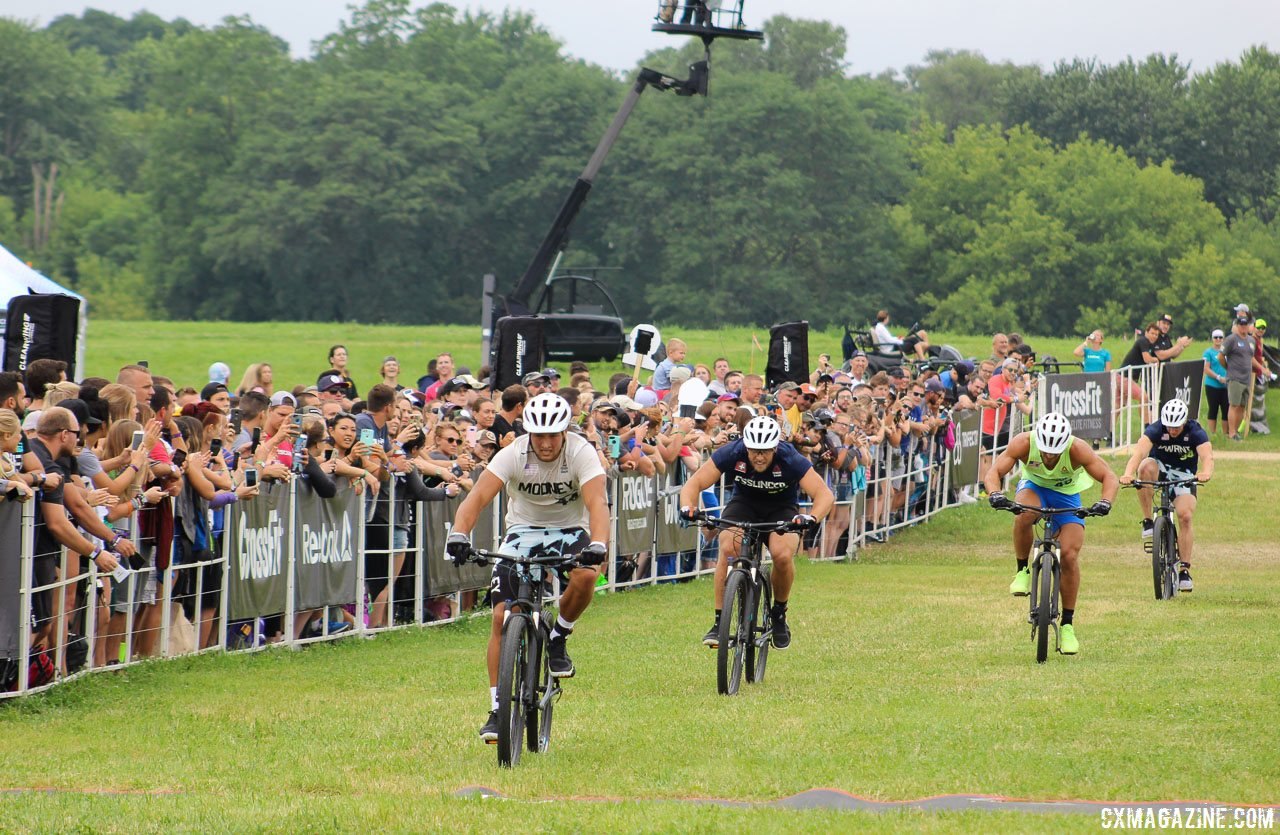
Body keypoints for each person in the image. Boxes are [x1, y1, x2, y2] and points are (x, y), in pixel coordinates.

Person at [445, 393, 610, 742]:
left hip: (570, 531)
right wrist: (458, 533)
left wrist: (598, 543)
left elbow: (597, 502)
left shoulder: (581, 452)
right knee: (501, 617)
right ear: (528, 432)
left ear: (565, 431)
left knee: (586, 575)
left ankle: (559, 636)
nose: (546, 443)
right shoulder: (513, 453)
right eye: (539, 435)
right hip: (522, 532)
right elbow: (476, 497)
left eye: (553, 435)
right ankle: (496, 709)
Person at [677, 415, 834, 651]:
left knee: (781, 555)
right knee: (727, 547)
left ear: (775, 448)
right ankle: (720, 622)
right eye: (754, 451)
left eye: (765, 452)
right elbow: (695, 483)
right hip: (744, 504)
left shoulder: (789, 456)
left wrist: (811, 517)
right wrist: (688, 507)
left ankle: (779, 612)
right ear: (746, 446)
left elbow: (824, 494)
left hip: (781, 508)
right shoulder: (733, 452)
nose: (759, 457)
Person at [984, 412, 1118, 655]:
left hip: (1067, 496)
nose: (1048, 457)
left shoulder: (1078, 449)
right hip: (1034, 488)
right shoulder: (1024, 443)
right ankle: (1022, 569)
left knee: (1068, 555)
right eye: (1045, 452)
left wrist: (1105, 501)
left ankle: (1067, 625)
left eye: (1054, 454)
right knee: (1023, 513)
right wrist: (995, 494)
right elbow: (994, 472)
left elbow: (1109, 476)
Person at [1119, 399, 1213, 592]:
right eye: (1169, 427)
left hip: (1184, 475)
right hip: (1160, 469)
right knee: (1145, 467)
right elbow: (1139, 453)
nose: (1172, 431)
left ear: (1184, 422)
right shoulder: (1156, 429)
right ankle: (1147, 521)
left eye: (1176, 427)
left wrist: (1205, 472)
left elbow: (1207, 456)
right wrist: (1128, 473)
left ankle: (1185, 570)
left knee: (1185, 516)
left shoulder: (1195, 431)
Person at [1219, 314, 1263, 441]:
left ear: (1248, 326)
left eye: (1245, 325)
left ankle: (1236, 432)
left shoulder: (1251, 341)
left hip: (1246, 379)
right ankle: (1231, 433)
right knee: (1233, 404)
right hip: (1235, 378)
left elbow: (1251, 358)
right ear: (1237, 326)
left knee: (1242, 406)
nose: (1243, 327)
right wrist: (1228, 368)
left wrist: (1262, 369)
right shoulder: (1231, 339)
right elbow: (1221, 356)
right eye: (1241, 325)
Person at [1202, 329, 1230, 436]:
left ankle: (1225, 433)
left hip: (1226, 385)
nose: (1218, 339)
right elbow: (1206, 368)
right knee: (1213, 409)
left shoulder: (1226, 351)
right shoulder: (1208, 352)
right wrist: (1218, 377)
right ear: (1212, 339)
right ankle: (1212, 433)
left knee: (1226, 409)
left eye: (1220, 337)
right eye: (1216, 337)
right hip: (1212, 385)